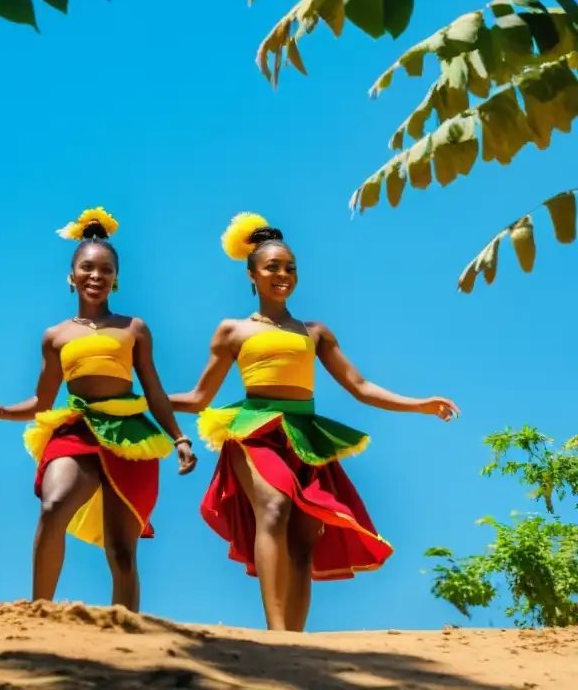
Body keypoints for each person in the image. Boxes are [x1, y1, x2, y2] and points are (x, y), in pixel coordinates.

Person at [169, 212, 460, 632]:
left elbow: (359, 385)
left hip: (306, 437)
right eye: (272, 267)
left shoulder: (315, 332)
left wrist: (418, 404)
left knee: (305, 539)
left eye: (289, 268)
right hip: (255, 431)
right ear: (252, 275)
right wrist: (144, 400)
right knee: (273, 509)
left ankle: (294, 641)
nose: (282, 274)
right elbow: (199, 398)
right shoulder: (232, 331)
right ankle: (274, 634)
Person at [0, 207, 198, 612]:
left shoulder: (133, 328)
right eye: (87, 268)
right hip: (77, 429)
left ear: (116, 279)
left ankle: (127, 631)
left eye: (105, 270)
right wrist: (1, 411)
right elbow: (41, 402)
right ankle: (40, 610)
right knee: (53, 507)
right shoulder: (56, 336)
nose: (95, 276)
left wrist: (180, 437)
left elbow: (153, 390)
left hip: (130, 436)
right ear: (71, 277)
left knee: (123, 550)